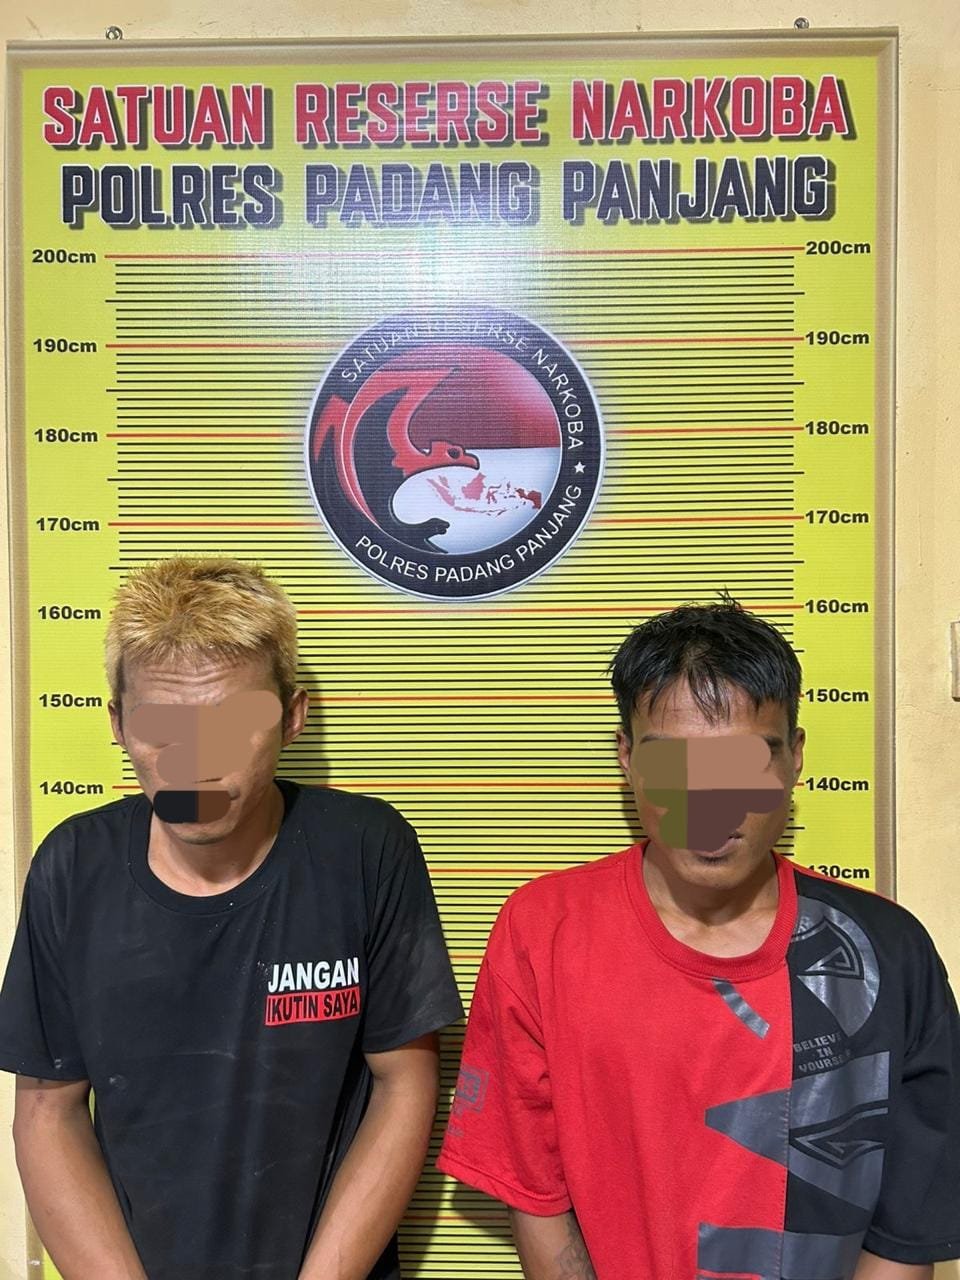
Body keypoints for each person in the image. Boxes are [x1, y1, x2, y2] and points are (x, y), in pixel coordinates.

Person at [437, 601, 960, 1280]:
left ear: (795, 757)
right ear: (626, 759)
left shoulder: (887, 950)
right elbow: (537, 1198)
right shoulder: (543, 931)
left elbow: (905, 1236)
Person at [0, 556, 463, 1280]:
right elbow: (45, 1111)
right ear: (117, 723)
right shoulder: (74, 865)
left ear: (293, 717)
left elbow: (404, 1084)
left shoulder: (365, 848)